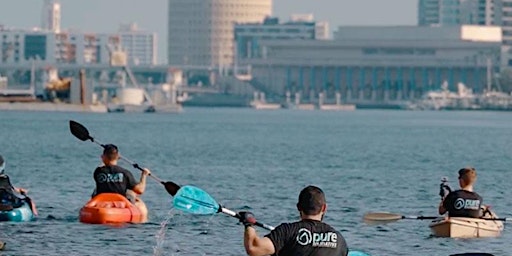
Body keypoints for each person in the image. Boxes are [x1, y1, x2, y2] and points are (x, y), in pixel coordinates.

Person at [238, 185, 348, 256]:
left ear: (299, 207)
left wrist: (248, 224)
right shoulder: (339, 241)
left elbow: (254, 248)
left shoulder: (287, 232)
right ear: (324, 208)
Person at [92, 144, 150, 219]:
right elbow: (140, 190)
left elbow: (103, 164)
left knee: (95, 190)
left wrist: (106, 155)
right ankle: (142, 220)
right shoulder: (125, 172)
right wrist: (144, 175)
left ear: (103, 157)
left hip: (101, 202)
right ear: (118, 157)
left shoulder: (98, 172)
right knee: (136, 197)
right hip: (120, 203)